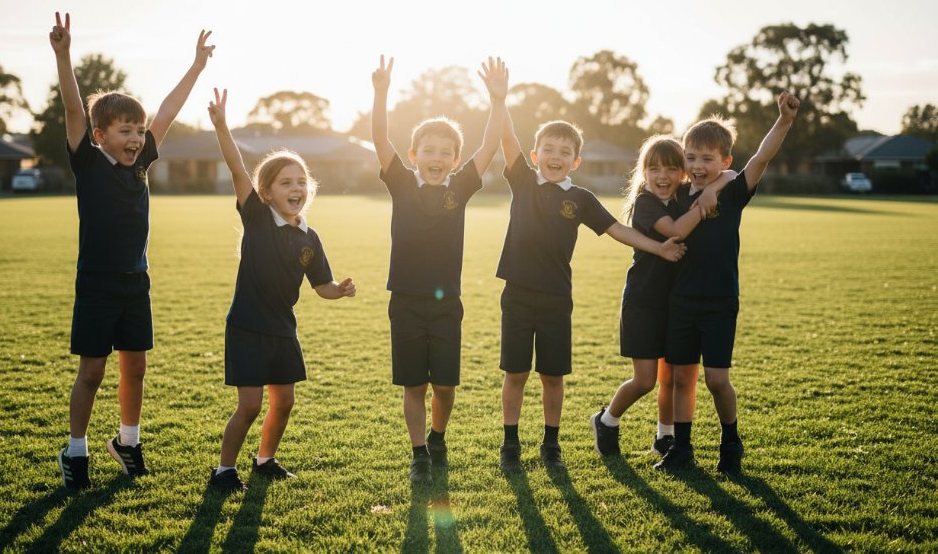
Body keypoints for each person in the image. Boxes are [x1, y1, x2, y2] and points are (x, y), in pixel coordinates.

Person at [51, 12, 214, 489]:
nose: (136, 138)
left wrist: (197, 67)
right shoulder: (87, 161)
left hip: (135, 282)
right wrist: (63, 55)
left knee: (135, 366)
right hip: (97, 283)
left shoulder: (140, 160)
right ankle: (75, 451)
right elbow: (74, 110)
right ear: (102, 136)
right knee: (92, 372)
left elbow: (167, 111)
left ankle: (127, 442)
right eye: (125, 131)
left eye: (138, 131)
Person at [495, 90, 687, 473]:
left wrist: (659, 248)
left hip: (556, 298)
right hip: (516, 295)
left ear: (575, 161)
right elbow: (507, 138)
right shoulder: (522, 180)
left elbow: (617, 228)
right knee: (516, 373)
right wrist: (499, 101)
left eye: (565, 152)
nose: (555, 157)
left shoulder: (580, 199)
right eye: (548, 149)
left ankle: (551, 445)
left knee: (553, 376)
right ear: (535, 156)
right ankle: (510, 445)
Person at [205, 88, 356, 491]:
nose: (296, 187)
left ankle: (265, 459)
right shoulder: (256, 217)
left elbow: (320, 284)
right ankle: (224, 470)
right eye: (286, 182)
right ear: (267, 191)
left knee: (284, 402)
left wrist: (337, 290)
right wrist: (221, 126)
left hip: (282, 328)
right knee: (250, 405)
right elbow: (237, 168)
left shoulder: (310, 237)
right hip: (247, 326)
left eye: (301, 181)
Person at [371, 55, 507, 483]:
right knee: (414, 386)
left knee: (444, 387)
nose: (436, 156)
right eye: (428, 150)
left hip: (447, 304)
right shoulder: (401, 182)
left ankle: (437, 436)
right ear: (414, 155)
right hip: (406, 302)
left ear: (454, 159)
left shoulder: (461, 186)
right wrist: (381, 92)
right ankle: (418, 456)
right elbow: (379, 137)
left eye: (445, 152)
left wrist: (497, 101)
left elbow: (489, 147)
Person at [655, 92, 800, 475]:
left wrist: (783, 121)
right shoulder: (676, 197)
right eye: (691, 157)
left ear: (725, 162)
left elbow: (761, 158)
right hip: (681, 301)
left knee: (718, 380)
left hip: (720, 301)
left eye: (707, 159)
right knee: (683, 378)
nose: (697, 166)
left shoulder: (733, 191)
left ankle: (730, 441)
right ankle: (681, 449)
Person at [590, 136, 735, 458]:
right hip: (643, 301)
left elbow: (732, 174)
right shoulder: (645, 202)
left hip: (676, 302)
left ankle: (664, 437)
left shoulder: (685, 194)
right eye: (653, 169)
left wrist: (712, 188)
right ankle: (607, 419)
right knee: (645, 380)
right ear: (643, 172)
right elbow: (676, 231)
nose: (663, 176)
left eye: (671, 168)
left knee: (671, 377)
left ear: (683, 172)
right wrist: (703, 205)